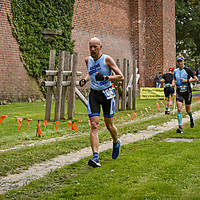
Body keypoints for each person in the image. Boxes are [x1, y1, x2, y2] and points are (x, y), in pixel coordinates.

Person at [79, 37, 124, 167]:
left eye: (95, 47)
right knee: (94, 124)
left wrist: (106, 77)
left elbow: (121, 77)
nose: (92, 49)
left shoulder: (107, 59)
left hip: (107, 94)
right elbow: (90, 72)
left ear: (100, 47)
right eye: (90, 47)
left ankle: (116, 141)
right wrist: (85, 80)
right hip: (94, 94)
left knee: (109, 125)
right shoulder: (88, 60)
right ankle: (96, 157)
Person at [172, 56, 198, 133]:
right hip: (179, 92)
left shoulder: (188, 70)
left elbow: (196, 79)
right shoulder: (175, 71)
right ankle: (180, 127)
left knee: (188, 110)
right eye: (178, 61)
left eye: (181, 61)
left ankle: (191, 118)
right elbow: (174, 79)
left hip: (187, 92)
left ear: (183, 61)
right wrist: (173, 83)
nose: (179, 63)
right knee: (179, 108)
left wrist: (186, 80)